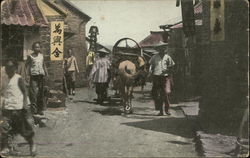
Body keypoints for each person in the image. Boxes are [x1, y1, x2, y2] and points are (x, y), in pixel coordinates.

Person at [0, 59, 36, 156]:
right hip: (7, 107)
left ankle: (32, 144)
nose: (9, 70)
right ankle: (7, 148)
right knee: (4, 127)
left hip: (18, 108)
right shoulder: (4, 79)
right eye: (7, 68)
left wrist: (25, 105)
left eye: (11, 68)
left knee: (23, 129)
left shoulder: (18, 78)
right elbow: (3, 92)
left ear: (15, 68)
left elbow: (24, 92)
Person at [149, 45, 175, 116]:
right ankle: (160, 110)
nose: (162, 50)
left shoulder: (168, 57)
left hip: (165, 77)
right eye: (160, 49)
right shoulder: (154, 57)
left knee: (165, 94)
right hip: (156, 77)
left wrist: (167, 70)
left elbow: (172, 67)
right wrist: (150, 73)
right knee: (156, 94)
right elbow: (151, 66)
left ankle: (166, 110)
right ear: (158, 50)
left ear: (165, 50)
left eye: (163, 49)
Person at [25, 42, 48, 115]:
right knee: (33, 93)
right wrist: (27, 75)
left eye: (38, 47)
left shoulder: (41, 56)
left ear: (40, 48)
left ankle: (40, 110)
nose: (37, 49)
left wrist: (46, 74)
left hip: (41, 76)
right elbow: (26, 66)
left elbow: (44, 66)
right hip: (34, 76)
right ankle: (34, 110)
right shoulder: (30, 56)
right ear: (33, 48)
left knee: (41, 93)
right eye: (35, 47)